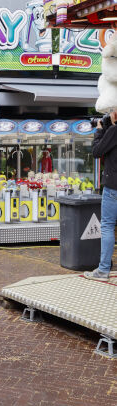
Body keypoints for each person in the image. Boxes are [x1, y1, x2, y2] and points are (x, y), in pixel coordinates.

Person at [85, 112, 117, 281]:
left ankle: (103, 270)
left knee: (107, 226)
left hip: (114, 188)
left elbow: (97, 151)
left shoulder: (114, 131)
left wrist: (99, 130)